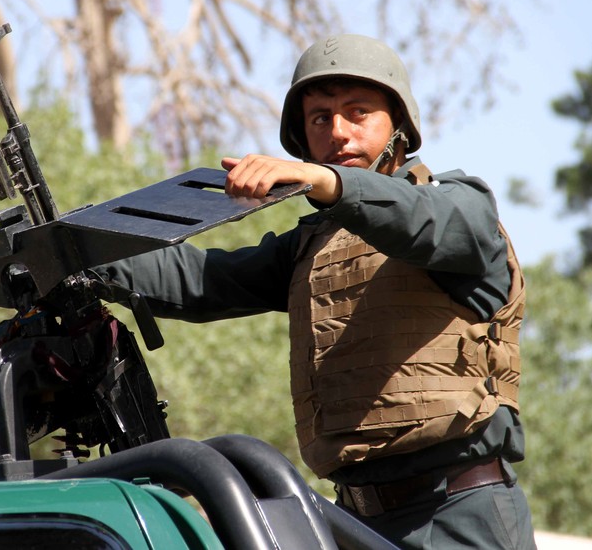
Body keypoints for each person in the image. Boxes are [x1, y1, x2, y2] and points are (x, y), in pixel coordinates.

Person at [95, 34, 536, 549]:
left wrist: (323, 180)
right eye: (321, 118)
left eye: (358, 113)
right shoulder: (314, 245)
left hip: (461, 516)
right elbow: (200, 279)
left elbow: (416, 219)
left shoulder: (459, 210)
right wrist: (81, 252)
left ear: (399, 128)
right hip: (352, 523)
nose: (339, 133)